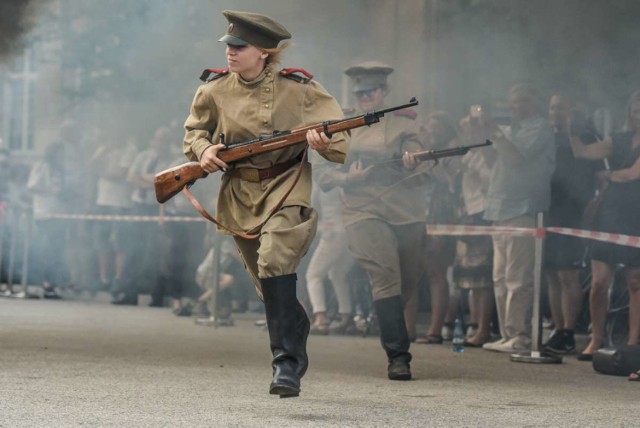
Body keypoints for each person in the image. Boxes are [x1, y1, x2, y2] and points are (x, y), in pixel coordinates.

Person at [182, 10, 349, 398]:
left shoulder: (302, 89)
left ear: (265, 52)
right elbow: (193, 133)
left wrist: (322, 143)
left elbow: (338, 138)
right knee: (267, 281)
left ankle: (285, 366)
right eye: (229, 46)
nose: (231, 53)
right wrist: (204, 151)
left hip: (287, 186)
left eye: (240, 47)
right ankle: (294, 330)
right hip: (239, 192)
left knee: (275, 260)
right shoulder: (213, 90)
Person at [315, 61, 427, 380]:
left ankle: (385, 312)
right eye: (360, 92)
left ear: (384, 92)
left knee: (407, 277)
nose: (365, 97)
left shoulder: (404, 125)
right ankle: (398, 355)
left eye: (372, 91)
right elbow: (322, 172)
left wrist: (411, 164)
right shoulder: (342, 126)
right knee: (385, 273)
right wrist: (346, 178)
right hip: (362, 210)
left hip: (406, 213)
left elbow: (423, 166)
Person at [473, 83, 555, 353]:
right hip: (499, 208)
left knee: (518, 277)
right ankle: (508, 334)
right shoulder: (508, 130)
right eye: (512, 101)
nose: (514, 106)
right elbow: (489, 159)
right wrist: (483, 131)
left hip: (523, 207)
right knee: (499, 276)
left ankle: (520, 335)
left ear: (534, 103)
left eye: (521, 101)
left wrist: (495, 130)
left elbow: (516, 159)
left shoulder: (540, 128)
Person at [568, 90, 640, 361]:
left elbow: (633, 174)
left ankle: (633, 343)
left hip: (636, 213)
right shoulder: (619, 139)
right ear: (629, 113)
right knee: (599, 281)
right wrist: (573, 127)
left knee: (636, 281)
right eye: (635, 110)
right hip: (609, 212)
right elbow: (583, 152)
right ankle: (595, 337)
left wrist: (607, 174)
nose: (639, 115)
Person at [542, 94, 598, 355]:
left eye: (560, 108)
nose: (556, 112)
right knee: (551, 272)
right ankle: (557, 327)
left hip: (574, 211)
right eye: (552, 108)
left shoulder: (585, 137)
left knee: (568, 273)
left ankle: (569, 329)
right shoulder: (547, 137)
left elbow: (597, 175)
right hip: (548, 209)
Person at [305, 183, 356, 335]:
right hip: (351, 232)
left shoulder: (320, 180)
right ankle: (346, 317)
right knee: (338, 274)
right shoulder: (345, 178)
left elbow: (310, 209)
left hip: (332, 232)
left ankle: (320, 319)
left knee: (313, 275)